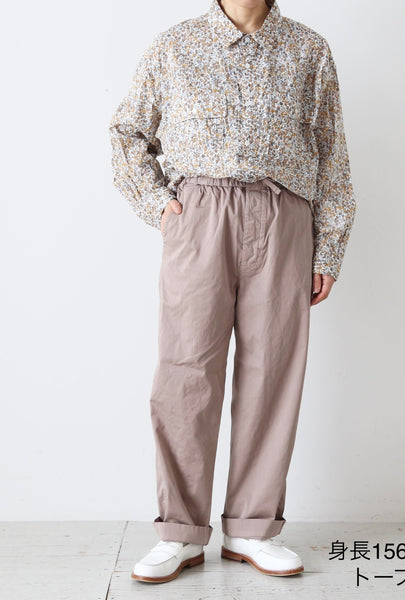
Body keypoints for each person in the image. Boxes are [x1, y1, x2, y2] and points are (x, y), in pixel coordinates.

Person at [109, 0, 356, 584]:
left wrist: (328, 247)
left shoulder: (308, 48)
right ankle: (180, 531)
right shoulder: (176, 45)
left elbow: (332, 157)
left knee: (273, 370)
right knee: (186, 369)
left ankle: (251, 526)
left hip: (284, 215)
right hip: (199, 214)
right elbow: (127, 131)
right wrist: (158, 203)